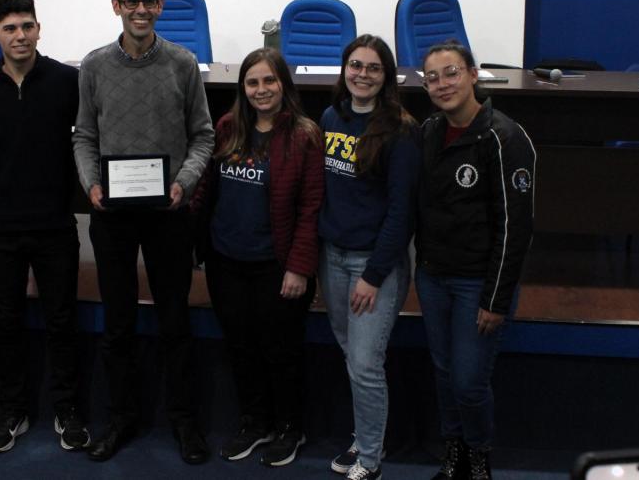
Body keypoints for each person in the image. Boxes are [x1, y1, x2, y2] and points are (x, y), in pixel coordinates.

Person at [72, 0, 214, 464]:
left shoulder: (183, 63)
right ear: (116, 6)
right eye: (130, 1)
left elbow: (203, 136)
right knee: (118, 324)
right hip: (112, 214)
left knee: (175, 322)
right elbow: (84, 135)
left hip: (169, 212)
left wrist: (185, 183)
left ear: (159, 7)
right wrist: (91, 181)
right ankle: (120, 418)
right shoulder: (93, 66)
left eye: (148, 2)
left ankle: (183, 420)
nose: (140, 10)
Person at [190, 48, 324, 467]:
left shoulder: (304, 135)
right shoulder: (229, 127)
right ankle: (256, 422)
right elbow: (206, 191)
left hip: (277, 266)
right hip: (226, 262)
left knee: (280, 351)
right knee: (241, 347)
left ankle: (289, 428)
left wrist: (300, 267)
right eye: (253, 82)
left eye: (269, 81)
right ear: (242, 88)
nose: (261, 90)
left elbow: (311, 208)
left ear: (283, 83)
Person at [0, 0, 89, 454]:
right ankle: (12, 411)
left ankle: (68, 411)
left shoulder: (67, 81)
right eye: (11, 28)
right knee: (7, 322)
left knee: (62, 321)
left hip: (54, 226)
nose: (20, 36)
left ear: (38, 29)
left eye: (28, 26)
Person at [415, 39, 535, 480]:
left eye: (451, 73)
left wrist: (497, 299)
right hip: (433, 277)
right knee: (445, 375)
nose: (442, 84)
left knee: (468, 381)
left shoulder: (504, 137)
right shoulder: (428, 132)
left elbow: (516, 227)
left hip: (477, 285)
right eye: (432, 77)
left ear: (472, 74)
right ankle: (454, 454)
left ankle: (478, 456)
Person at [318, 34, 421, 480]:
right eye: (355, 65)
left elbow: (402, 212)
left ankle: (371, 460)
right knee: (352, 356)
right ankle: (365, 437)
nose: (362, 74)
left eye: (373, 68)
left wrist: (375, 274)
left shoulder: (400, 129)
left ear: (387, 76)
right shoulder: (330, 116)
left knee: (364, 363)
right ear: (345, 70)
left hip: (373, 266)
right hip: (332, 257)